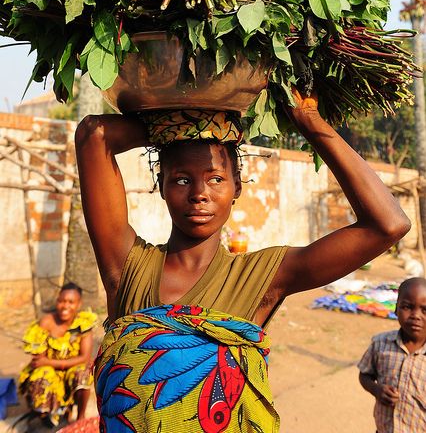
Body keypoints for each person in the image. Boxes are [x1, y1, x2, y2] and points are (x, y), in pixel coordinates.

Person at [75, 93, 411, 432]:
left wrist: (308, 119)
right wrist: (196, 122)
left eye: (216, 178)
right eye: (180, 179)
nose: (199, 193)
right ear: (160, 185)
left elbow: (388, 225)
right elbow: (94, 134)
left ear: (237, 186)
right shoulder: (128, 266)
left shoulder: (262, 277)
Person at [19, 282, 97, 427]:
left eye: (71, 302)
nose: (65, 306)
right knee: (41, 374)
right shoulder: (47, 322)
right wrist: (48, 364)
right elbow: (39, 360)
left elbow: (84, 357)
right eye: (61, 301)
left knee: (83, 371)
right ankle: (49, 412)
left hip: (71, 370)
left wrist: (50, 362)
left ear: (79, 304)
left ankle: (80, 419)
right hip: (52, 373)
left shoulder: (83, 324)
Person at [358, 277, 426, 432]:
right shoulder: (380, 344)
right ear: (396, 309)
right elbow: (364, 375)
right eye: (407, 307)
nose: (416, 315)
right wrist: (377, 390)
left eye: (425, 310)